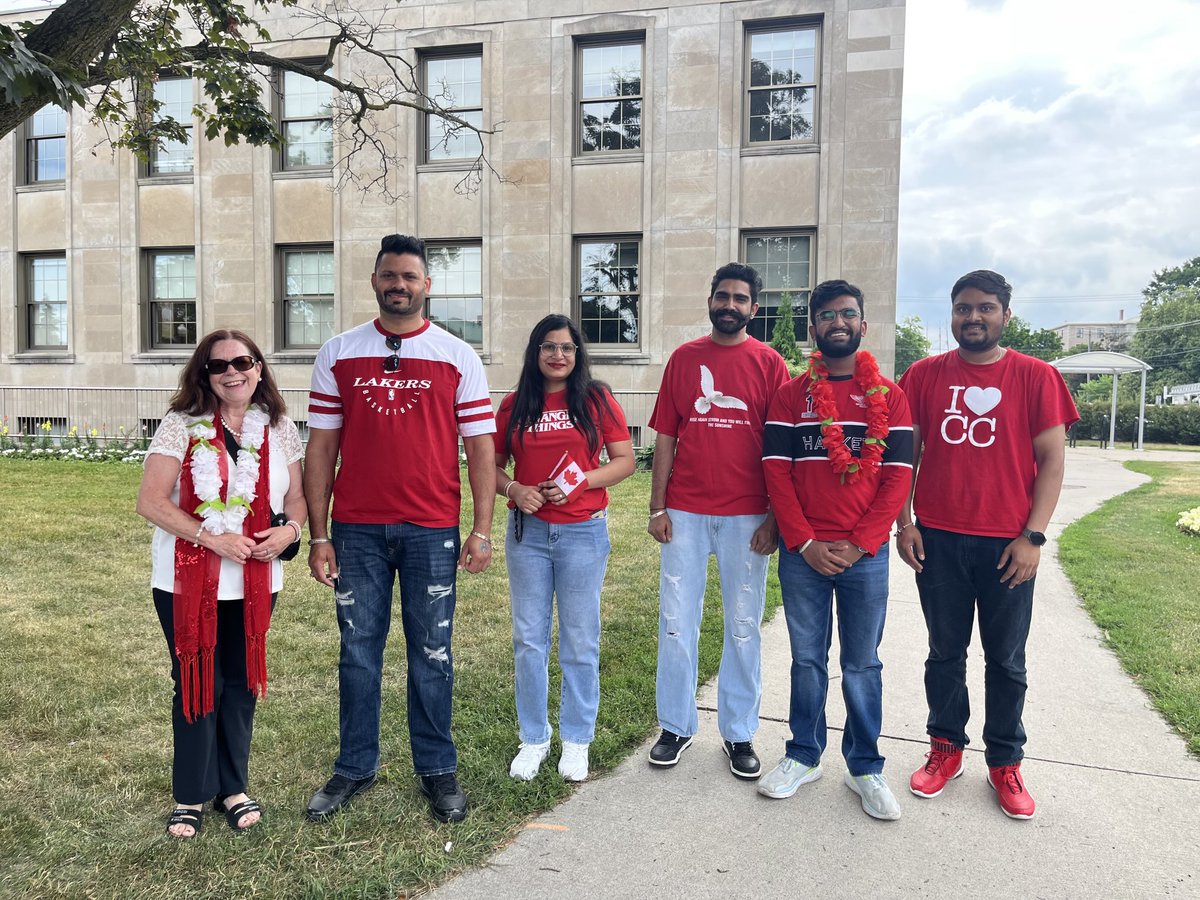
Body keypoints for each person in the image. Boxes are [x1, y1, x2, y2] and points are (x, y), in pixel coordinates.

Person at [304, 234, 496, 824]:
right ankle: (354, 766)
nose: (399, 285)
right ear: (374, 281)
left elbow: (480, 448)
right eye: (389, 275)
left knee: (432, 653)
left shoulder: (457, 355)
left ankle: (437, 769)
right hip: (356, 530)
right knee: (358, 652)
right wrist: (319, 534)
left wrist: (481, 528)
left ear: (426, 285)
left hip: (431, 529)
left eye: (410, 277)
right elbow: (321, 449)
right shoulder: (339, 353)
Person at [896, 269, 1078, 820]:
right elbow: (905, 456)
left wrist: (1033, 537)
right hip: (939, 539)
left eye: (985, 308)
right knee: (944, 654)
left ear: (1005, 315)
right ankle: (945, 747)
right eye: (963, 308)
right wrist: (904, 523)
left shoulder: (1037, 376)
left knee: (1006, 659)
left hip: (1007, 545)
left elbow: (1052, 462)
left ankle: (1005, 761)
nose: (972, 317)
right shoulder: (923, 375)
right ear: (952, 313)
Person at [137, 329, 306, 839]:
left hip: (257, 579)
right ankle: (190, 794)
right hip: (186, 580)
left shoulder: (278, 427)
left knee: (240, 683)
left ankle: (233, 788)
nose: (232, 372)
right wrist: (212, 538)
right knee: (196, 681)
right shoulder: (181, 425)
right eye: (218, 365)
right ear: (204, 374)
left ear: (259, 368)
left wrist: (290, 531)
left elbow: (296, 498)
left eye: (242, 362)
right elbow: (151, 502)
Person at [759, 280, 913, 820]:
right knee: (806, 659)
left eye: (848, 314)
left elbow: (897, 477)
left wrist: (860, 543)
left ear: (863, 325)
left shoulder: (891, 397)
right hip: (803, 555)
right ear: (813, 328)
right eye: (827, 315)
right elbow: (776, 474)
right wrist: (803, 541)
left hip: (864, 558)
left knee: (862, 663)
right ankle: (804, 756)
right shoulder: (790, 396)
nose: (838, 322)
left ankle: (865, 766)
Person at [646, 262, 790, 779]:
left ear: (754, 307)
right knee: (675, 623)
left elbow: (781, 446)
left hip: (747, 516)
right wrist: (657, 506)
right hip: (684, 511)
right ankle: (676, 726)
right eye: (722, 296)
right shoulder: (685, 359)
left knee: (744, 626)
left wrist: (774, 516)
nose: (730, 305)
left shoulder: (770, 364)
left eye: (740, 298)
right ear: (710, 301)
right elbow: (666, 435)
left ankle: (739, 732)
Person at [494, 315, 635, 782]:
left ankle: (576, 740)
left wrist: (581, 481)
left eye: (567, 348)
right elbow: (490, 466)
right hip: (529, 536)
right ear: (535, 352)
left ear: (578, 354)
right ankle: (533, 738)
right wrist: (514, 489)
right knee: (528, 640)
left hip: (582, 534)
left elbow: (624, 461)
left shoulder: (595, 399)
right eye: (549, 347)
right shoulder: (514, 404)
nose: (558, 355)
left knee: (579, 639)